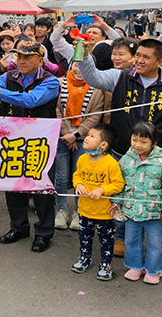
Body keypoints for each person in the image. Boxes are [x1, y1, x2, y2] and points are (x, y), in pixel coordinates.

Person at [76, 38, 162, 265]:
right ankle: (121, 238)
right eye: (137, 55)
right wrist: (86, 56)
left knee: (161, 201)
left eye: (145, 57)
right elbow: (93, 77)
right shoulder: (120, 77)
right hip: (123, 154)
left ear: (160, 61)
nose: (138, 60)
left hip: (158, 159)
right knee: (123, 197)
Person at [0, 39, 60, 253]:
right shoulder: (7, 76)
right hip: (12, 139)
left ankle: (44, 233)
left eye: (27, 57)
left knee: (41, 189)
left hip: (41, 141)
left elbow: (31, 100)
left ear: (40, 60)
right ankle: (18, 227)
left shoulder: (51, 81)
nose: (22, 61)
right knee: (13, 185)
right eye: (19, 56)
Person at [114, 121, 162, 285]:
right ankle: (135, 266)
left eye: (143, 141)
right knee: (131, 240)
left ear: (153, 143)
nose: (138, 145)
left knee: (155, 243)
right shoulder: (125, 160)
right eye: (134, 140)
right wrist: (116, 203)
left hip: (154, 212)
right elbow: (119, 184)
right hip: (131, 210)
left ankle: (154, 269)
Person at [54, 61, 104, 231]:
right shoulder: (60, 83)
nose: (79, 69)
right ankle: (61, 209)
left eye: (83, 65)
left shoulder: (97, 87)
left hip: (85, 139)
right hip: (61, 136)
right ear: (70, 66)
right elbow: (56, 110)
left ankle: (78, 211)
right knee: (61, 176)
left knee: (81, 176)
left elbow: (95, 116)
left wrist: (75, 135)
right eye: (76, 65)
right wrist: (67, 134)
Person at [71, 125, 125, 281]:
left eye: (92, 136)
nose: (86, 138)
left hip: (104, 214)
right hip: (84, 210)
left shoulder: (111, 163)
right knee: (84, 237)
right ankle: (84, 258)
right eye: (87, 135)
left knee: (106, 241)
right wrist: (78, 184)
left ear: (103, 145)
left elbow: (118, 184)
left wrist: (102, 190)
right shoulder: (82, 158)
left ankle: (105, 264)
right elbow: (77, 176)